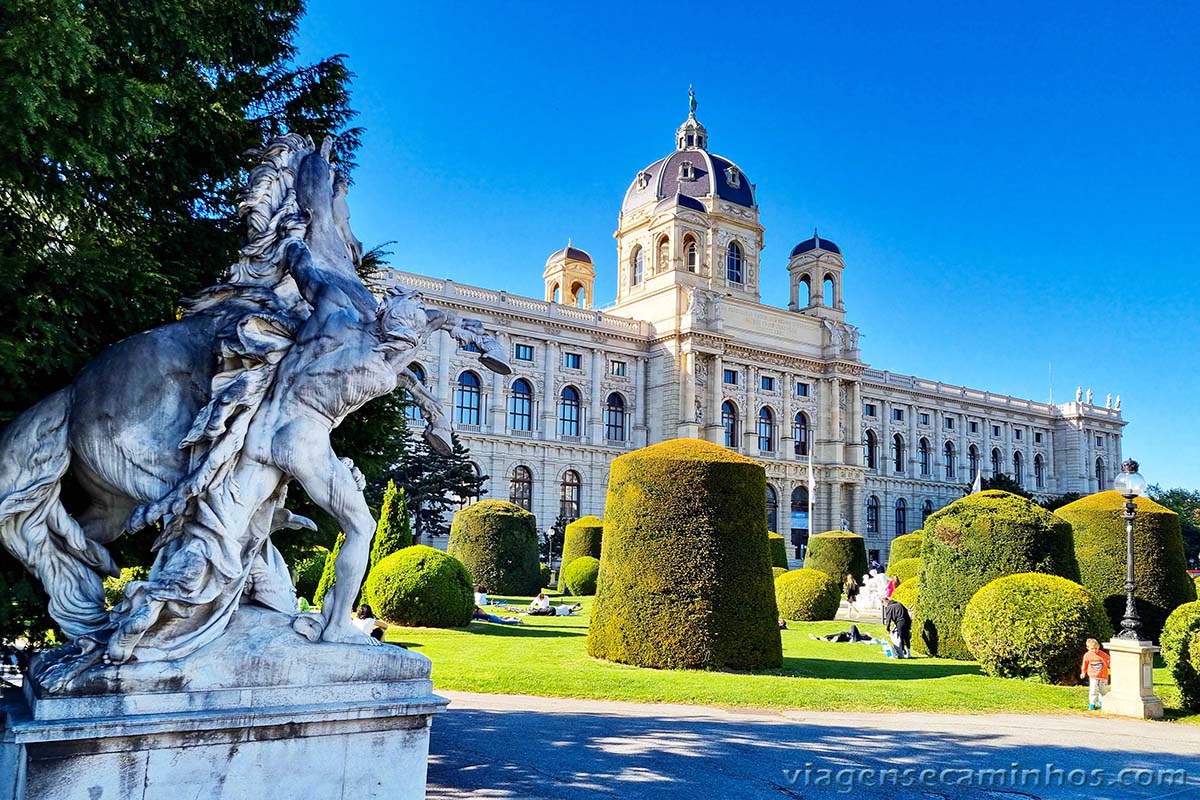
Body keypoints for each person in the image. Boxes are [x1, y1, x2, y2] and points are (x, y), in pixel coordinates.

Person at [1080, 638, 1111, 711]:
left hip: (1103, 676)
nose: (1094, 650)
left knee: (1103, 690)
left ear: (1099, 646)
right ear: (1088, 648)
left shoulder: (1103, 655)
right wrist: (1083, 672)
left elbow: (1109, 661)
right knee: (1093, 690)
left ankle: (1102, 702)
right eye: (1092, 649)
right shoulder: (1087, 655)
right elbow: (1084, 664)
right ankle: (1092, 703)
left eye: (1096, 648)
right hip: (1093, 676)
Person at [808, 624, 875, 644]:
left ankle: (830, 639)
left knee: (852, 626)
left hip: (849, 636)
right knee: (830, 636)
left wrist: (867, 634)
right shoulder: (862, 635)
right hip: (847, 636)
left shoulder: (865, 637)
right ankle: (817, 638)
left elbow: (869, 638)